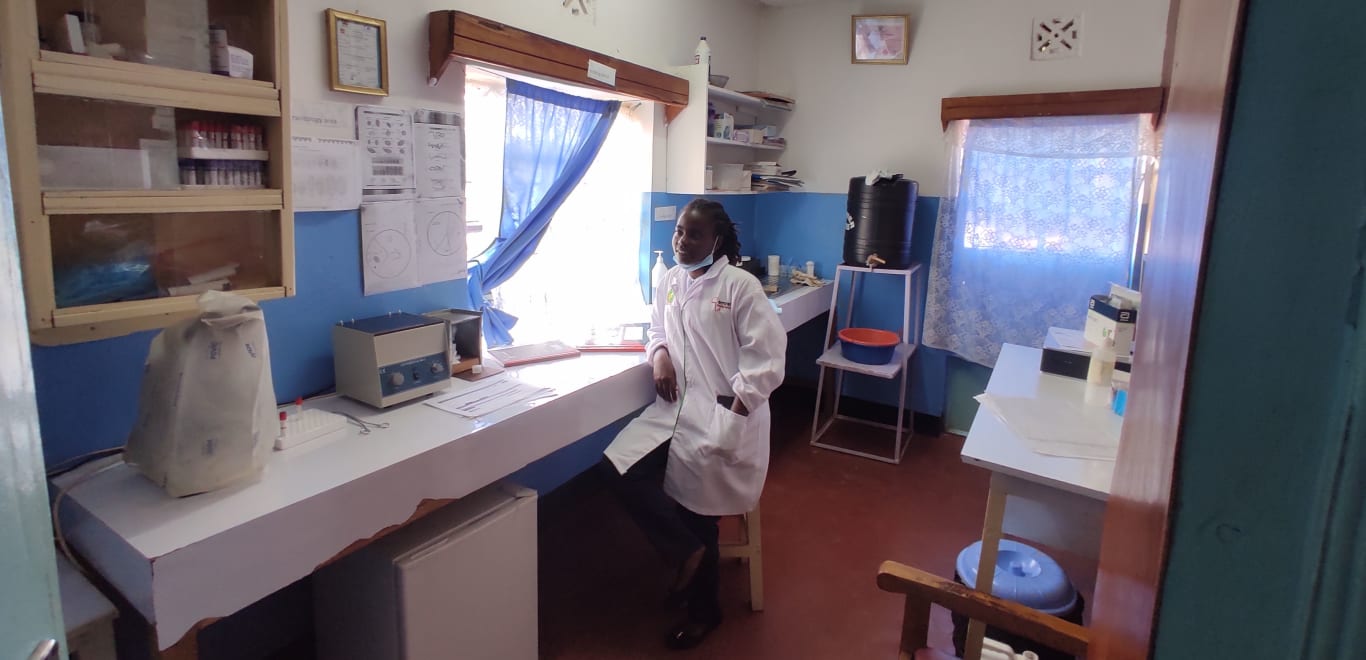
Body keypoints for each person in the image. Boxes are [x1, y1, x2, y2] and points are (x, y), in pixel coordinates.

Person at [600, 198, 786, 650]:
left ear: (716, 241)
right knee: (617, 467)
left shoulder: (739, 286)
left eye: (694, 234)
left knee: (697, 511)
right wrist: (659, 355)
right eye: (680, 231)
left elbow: (767, 363)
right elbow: (657, 329)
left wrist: (733, 418)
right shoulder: (670, 280)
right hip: (676, 410)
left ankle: (706, 612)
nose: (683, 241)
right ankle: (684, 552)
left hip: (724, 413)